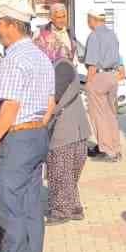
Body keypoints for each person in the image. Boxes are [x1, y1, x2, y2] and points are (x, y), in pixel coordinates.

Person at [0, 1, 55, 252]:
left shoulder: (13, 59)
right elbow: (50, 104)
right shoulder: (41, 56)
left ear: (12, 25)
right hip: (37, 134)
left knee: (10, 207)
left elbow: (10, 107)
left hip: (18, 138)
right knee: (32, 206)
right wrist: (35, 127)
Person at [46, 58, 90, 225]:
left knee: (60, 170)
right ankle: (73, 208)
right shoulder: (63, 65)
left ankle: (61, 211)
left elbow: (54, 97)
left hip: (65, 129)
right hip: (75, 128)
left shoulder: (61, 66)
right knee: (68, 173)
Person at [82, 10, 124, 162]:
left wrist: (88, 82)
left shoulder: (94, 36)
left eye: (88, 20)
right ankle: (116, 148)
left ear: (92, 19)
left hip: (98, 76)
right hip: (112, 76)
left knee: (98, 115)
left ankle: (107, 149)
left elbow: (92, 63)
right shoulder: (112, 34)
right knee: (111, 115)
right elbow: (118, 58)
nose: (88, 23)